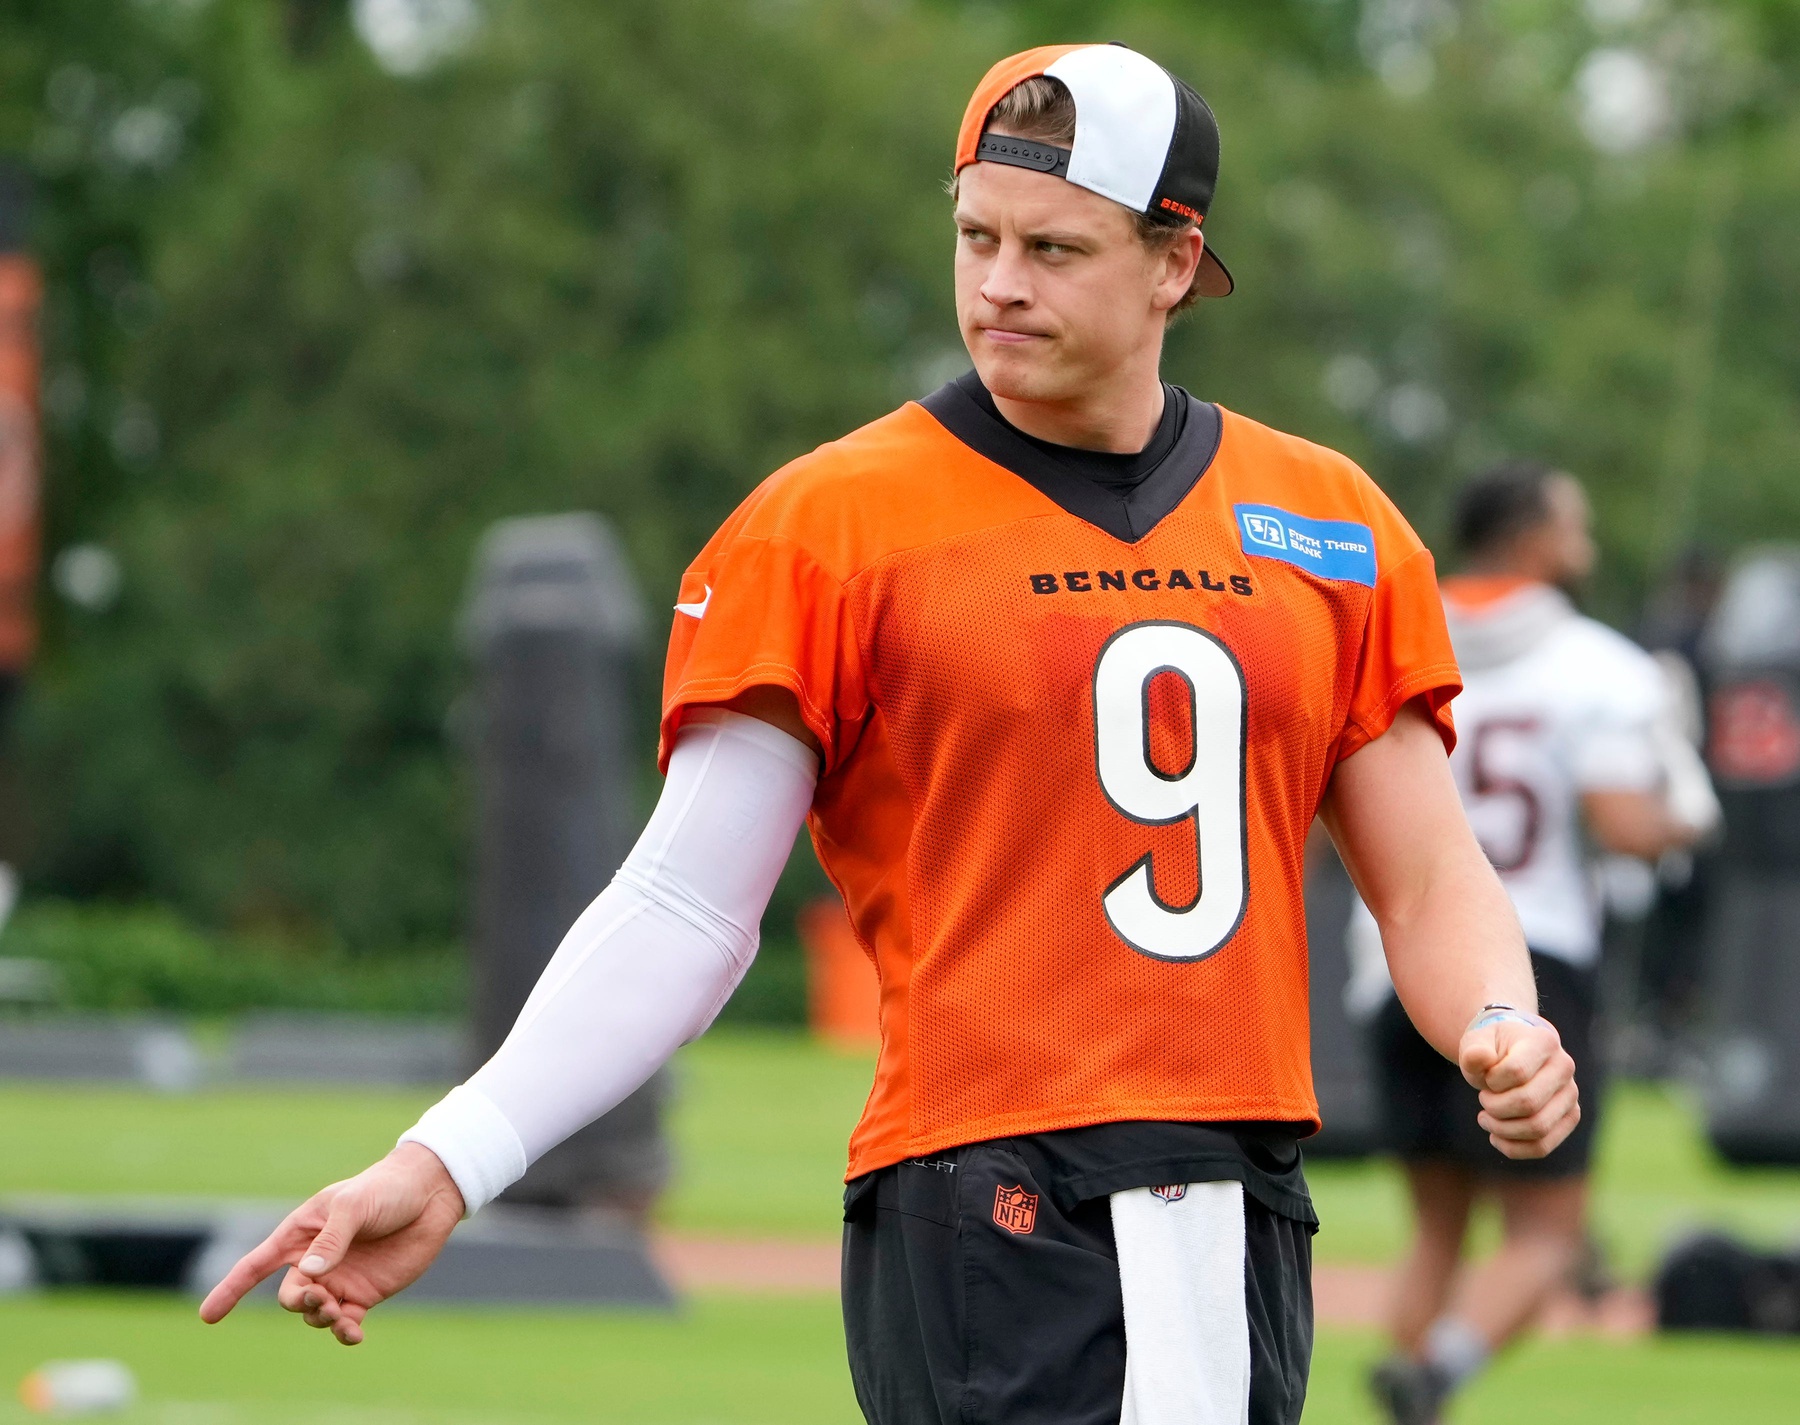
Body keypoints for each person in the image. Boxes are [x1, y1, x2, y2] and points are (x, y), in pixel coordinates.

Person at [201, 46, 1581, 1425]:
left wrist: (1500, 1020)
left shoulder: (1327, 520)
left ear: (1175, 264)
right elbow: (684, 901)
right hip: (989, 1192)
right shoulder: (834, 522)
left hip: (1240, 1191)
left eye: (1054, 247)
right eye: (975, 236)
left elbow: (1425, 874)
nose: (998, 284)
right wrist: (453, 1155)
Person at [1358, 462, 1718, 1425]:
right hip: (1526, 961)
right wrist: (1687, 798)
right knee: (1547, 1235)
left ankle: (1411, 1395)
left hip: (1387, 963)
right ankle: (1436, 1372)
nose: (1587, 547)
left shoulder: (1387, 630)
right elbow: (1629, 823)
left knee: (1434, 1232)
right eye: (1576, 527)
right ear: (1532, 539)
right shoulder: (1597, 664)